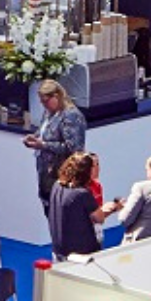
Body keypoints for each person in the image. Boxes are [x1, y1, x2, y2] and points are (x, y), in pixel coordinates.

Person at [24, 80, 87, 211]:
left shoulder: (71, 116)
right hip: (46, 173)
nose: (44, 105)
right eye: (42, 102)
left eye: (46, 101)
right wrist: (35, 137)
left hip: (61, 175)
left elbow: (74, 149)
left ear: (57, 96)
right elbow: (44, 131)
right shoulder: (48, 113)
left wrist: (44, 145)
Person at [48, 153, 118, 257]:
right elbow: (99, 218)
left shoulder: (57, 186)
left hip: (59, 249)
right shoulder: (83, 194)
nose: (98, 169)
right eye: (94, 166)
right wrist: (112, 208)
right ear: (85, 171)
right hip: (81, 253)